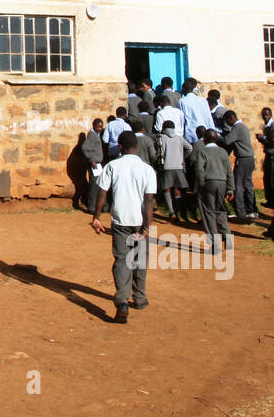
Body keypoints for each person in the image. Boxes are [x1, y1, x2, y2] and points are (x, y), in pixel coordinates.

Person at [90, 131, 156, 323]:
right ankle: (140, 297)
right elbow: (149, 201)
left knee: (121, 260)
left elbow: (102, 193)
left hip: (120, 220)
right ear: (136, 146)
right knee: (140, 259)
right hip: (140, 221)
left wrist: (96, 218)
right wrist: (147, 227)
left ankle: (122, 301)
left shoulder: (112, 166)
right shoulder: (147, 169)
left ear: (120, 147)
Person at [193, 129, 234, 253]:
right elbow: (229, 171)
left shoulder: (203, 151)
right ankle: (228, 239)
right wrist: (231, 189)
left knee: (208, 213)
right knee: (220, 210)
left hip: (208, 183)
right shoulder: (223, 152)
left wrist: (200, 185)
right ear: (216, 139)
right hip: (222, 183)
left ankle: (215, 246)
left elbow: (200, 170)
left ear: (204, 139)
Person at [220, 110, 259, 221]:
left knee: (238, 185)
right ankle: (252, 210)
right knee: (248, 185)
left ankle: (240, 211)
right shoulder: (242, 126)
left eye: (227, 121)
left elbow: (227, 141)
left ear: (230, 119)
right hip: (249, 159)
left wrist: (217, 137)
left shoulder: (237, 127)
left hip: (242, 159)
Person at [157, 119, 191, 222]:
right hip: (178, 166)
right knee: (177, 189)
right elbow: (190, 148)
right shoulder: (179, 138)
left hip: (166, 167)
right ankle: (178, 213)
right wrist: (183, 158)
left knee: (166, 188)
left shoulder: (161, 137)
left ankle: (171, 212)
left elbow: (159, 151)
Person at [178, 78, 215, 146]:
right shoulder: (203, 100)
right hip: (205, 134)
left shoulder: (182, 101)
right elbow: (208, 117)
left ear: (184, 89)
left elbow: (182, 119)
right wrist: (212, 131)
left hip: (191, 135)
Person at [81, 118, 107, 212]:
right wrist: (92, 160)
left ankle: (101, 206)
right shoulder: (92, 136)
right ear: (94, 126)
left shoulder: (95, 135)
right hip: (94, 164)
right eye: (99, 127)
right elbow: (85, 148)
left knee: (99, 184)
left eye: (101, 127)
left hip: (97, 164)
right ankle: (92, 207)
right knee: (94, 185)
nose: (100, 128)